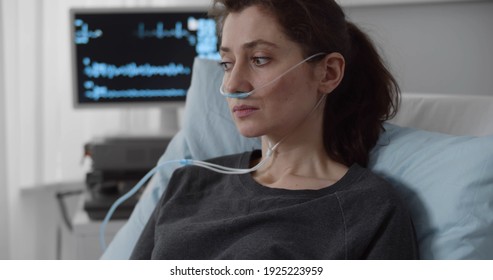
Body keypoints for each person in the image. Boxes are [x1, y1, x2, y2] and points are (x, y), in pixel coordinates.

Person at [129, 0, 419, 259]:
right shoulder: (189, 182)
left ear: (328, 72)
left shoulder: (369, 210)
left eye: (259, 59)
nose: (232, 85)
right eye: (227, 64)